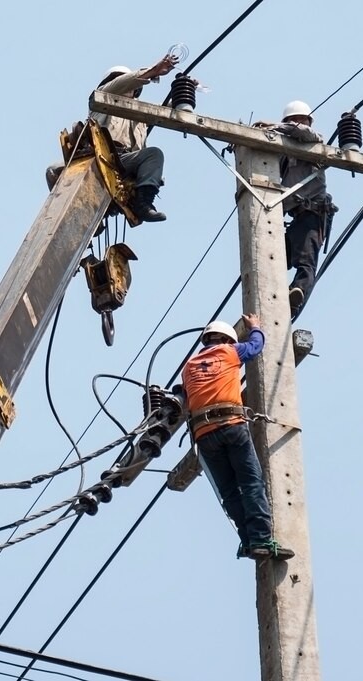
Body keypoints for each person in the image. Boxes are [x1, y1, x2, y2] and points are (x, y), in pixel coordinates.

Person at [181, 315, 295, 561]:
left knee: (231, 492)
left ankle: (248, 540)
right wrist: (255, 326)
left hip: (204, 435)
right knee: (252, 483)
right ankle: (261, 539)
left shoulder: (188, 367)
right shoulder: (229, 352)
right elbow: (255, 346)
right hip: (230, 425)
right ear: (226, 339)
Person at [46, 53, 179, 222]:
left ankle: (143, 204)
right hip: (99, 158)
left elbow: (167, 111)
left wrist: (184, 90)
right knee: (53, 170)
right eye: (119, 80)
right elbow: (123, 82)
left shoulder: (141, 113)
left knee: (154, 154)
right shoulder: (102, 97)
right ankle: (75, 213)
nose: (125, 85)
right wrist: (153, 71)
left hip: (125, 163)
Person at [253, 101, 338, 318]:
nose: (297, 123)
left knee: (306, 262)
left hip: (313, 215)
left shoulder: (314, 141)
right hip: (295, 218)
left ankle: (295, 297)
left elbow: (303, 133)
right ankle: (275, 299)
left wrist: (273, 126)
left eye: (301, 119)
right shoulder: (284, 154)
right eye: (293, 119)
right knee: (271, 258)